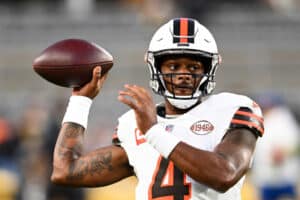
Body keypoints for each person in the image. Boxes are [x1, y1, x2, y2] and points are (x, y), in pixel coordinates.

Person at [51, 18, 264, 200]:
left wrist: (154, 132)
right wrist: (80, 101)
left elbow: (224, 174)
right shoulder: (132, 125)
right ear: (156, 68)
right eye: (173, 66)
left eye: (194, 67)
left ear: (209, 69)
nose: (183, 74)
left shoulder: (232, 109)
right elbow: (65, 171)